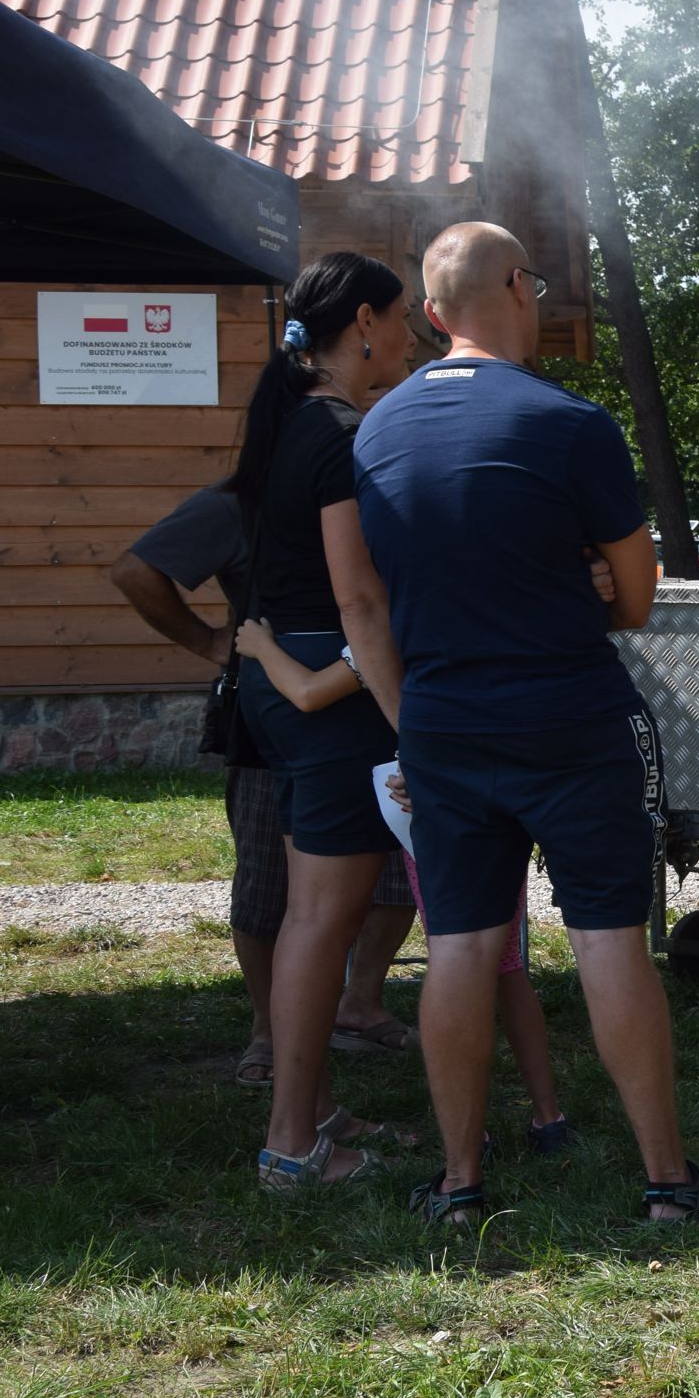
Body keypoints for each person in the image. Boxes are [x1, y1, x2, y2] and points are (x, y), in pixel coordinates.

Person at [347, 221, 699, 1225]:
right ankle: (665, 1180)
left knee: (463, 945)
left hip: (443, 720)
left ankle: (460, 1181)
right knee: (608, 936)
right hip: (567, 711)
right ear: (520, 287)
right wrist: (586, 587)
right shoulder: (570, 423)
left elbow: (372, 603)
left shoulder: (374, 432)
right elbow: (640, 599)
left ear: (431, 317)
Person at [109, 493, 419, 1086]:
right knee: (267, 881)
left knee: (394, 869)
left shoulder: (385, 494)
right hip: (276, 719)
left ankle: (359, 1004)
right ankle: (270, 1031)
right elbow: (134, 569)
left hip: (379, 707)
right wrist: (209, 641)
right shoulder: (237, 501)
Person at [235, 620, 575, 1152]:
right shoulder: (494, 636)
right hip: (499, 804)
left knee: (459, 972)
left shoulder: (391, 633)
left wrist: (258, 648)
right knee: (505, 971)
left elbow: (307, 691)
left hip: (439, 812)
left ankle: (470, 1136)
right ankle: (547, 1117)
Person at [227, 252, 417, 1189]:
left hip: (286, 676)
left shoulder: (290, 416)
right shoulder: (341, 430)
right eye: (404, 317)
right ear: (367, 323)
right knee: (319, 924)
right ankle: (292, 1145)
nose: (414, 335)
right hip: (329, 689)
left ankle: (310, 1112)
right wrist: (405, 720)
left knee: (312, 917)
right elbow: (361, 603)